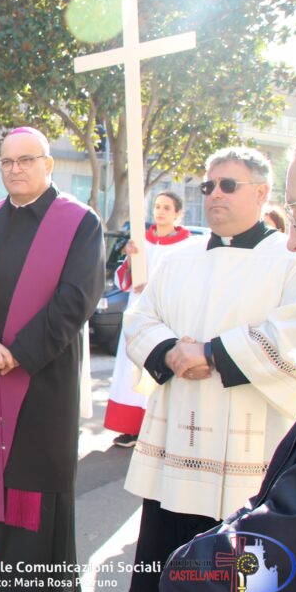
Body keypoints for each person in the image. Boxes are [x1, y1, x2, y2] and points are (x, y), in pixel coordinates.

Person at [122, 146, 296, 592]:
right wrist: (171, 351)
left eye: (228, 185)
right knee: (158, 578)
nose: (214, 194)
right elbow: (140, 318)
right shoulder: (179, 258)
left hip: (247, 452)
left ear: (262, 193)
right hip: (177, 451)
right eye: (208, 186)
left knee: (225, 584)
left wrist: (212, 354)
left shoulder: (291, 259)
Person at [0, 127, 105, 592]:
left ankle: (33, 585)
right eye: (7, 161)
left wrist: (17, 352)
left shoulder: (80, 222)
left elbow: (76, 299)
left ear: (48, 164)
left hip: (43, 372)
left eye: (26, 160)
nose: (15, 169)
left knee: (32, 473)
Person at [105, 192, 192, 449]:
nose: (160, 211)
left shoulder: (188, 246)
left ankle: (159, 430)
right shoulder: (140, 241)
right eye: (157, 206)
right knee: (130, 370)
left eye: (167, 208)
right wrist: (131, 258)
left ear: (178, 214)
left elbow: (188, 283)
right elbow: (123, 281)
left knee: (160, 367)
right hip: (137, 312)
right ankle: (132, 428)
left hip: (167, 316)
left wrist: (155, 288)